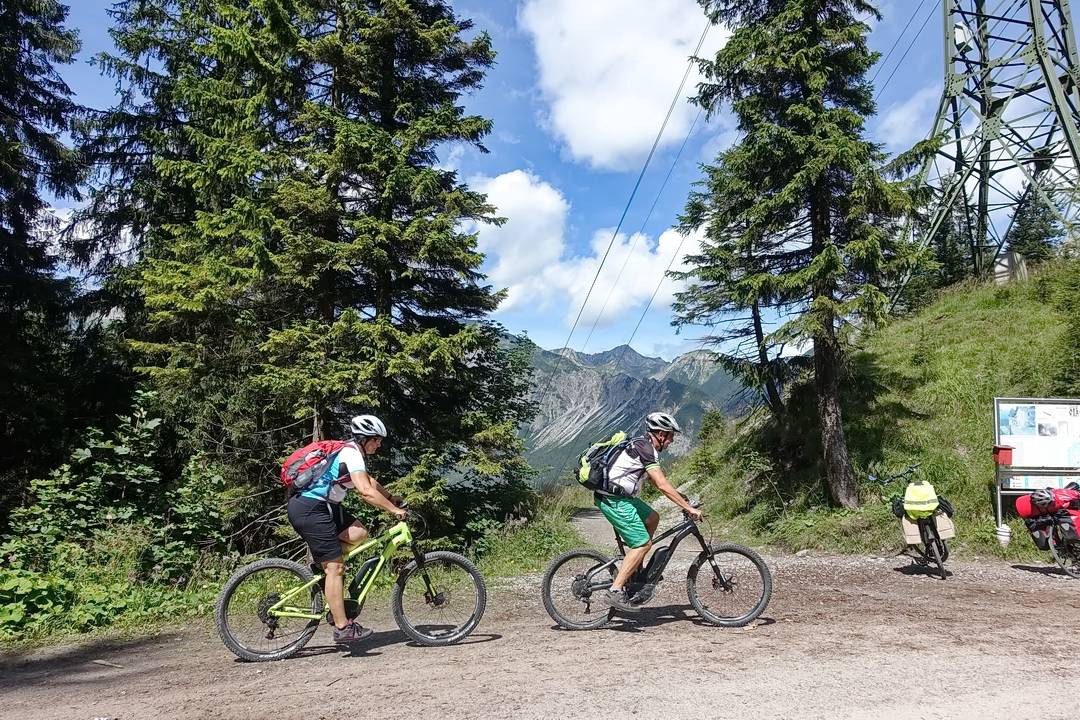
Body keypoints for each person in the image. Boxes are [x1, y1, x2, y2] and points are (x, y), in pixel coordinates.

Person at [286, 414, 406, 643]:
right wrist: (393, 510)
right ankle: (342, 627)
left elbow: (369, 482)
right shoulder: (350, 453)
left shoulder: (352, 453)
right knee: (336, 567)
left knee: (359, 533)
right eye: (376, 440)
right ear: (364, 438)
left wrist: (392, 498)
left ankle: (325, 567)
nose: (379, 445)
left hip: (325, 506)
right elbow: (364, 491)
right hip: (310, 508)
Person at [595, 411, 702, 611]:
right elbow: (661, 484)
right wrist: (687, 508)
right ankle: (615, 591)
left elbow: (654, 480)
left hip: (622, 497)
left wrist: (681, 497)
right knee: (643, 543)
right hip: (613, 500)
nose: (671, 441)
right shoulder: (645, 448)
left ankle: (636, 569)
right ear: (661, 434)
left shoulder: (644, 445)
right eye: (671, 436)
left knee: (653, 518)